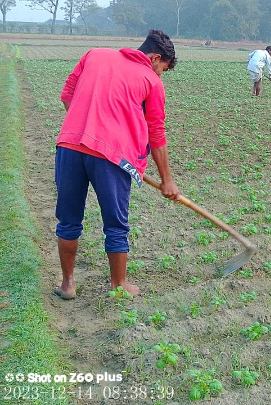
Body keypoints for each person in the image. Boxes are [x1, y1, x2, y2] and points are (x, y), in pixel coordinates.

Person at [53, 29, 180, 300]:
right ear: (155, 58)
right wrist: (167, 179)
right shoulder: (151, 82)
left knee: (68, 219)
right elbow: (155, 131)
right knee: (115, 224)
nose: (160, 75)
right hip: (111, 158)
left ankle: (67, 284)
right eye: (162, 69)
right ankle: (118, 284)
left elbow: (67, 96)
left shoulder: (94, 55)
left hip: (69, 147)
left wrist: (87, 130)